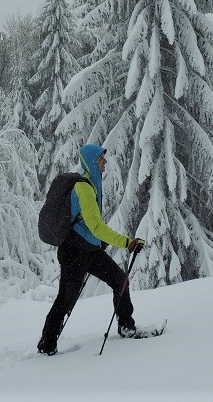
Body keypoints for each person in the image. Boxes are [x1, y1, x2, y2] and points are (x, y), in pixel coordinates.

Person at [37, 143, 146, 355]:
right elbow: (96, 226)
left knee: (120, 280)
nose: (104, 162)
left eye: (103, 158)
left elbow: (87, 225)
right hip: (73, 254)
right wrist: (127, 243)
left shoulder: (90, 185)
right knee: (65, 299)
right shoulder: (84, 188)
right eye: (100, 159)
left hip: (88, 250)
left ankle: (126, 326)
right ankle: (46, 345)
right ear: (91, 162)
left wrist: (98, 242)